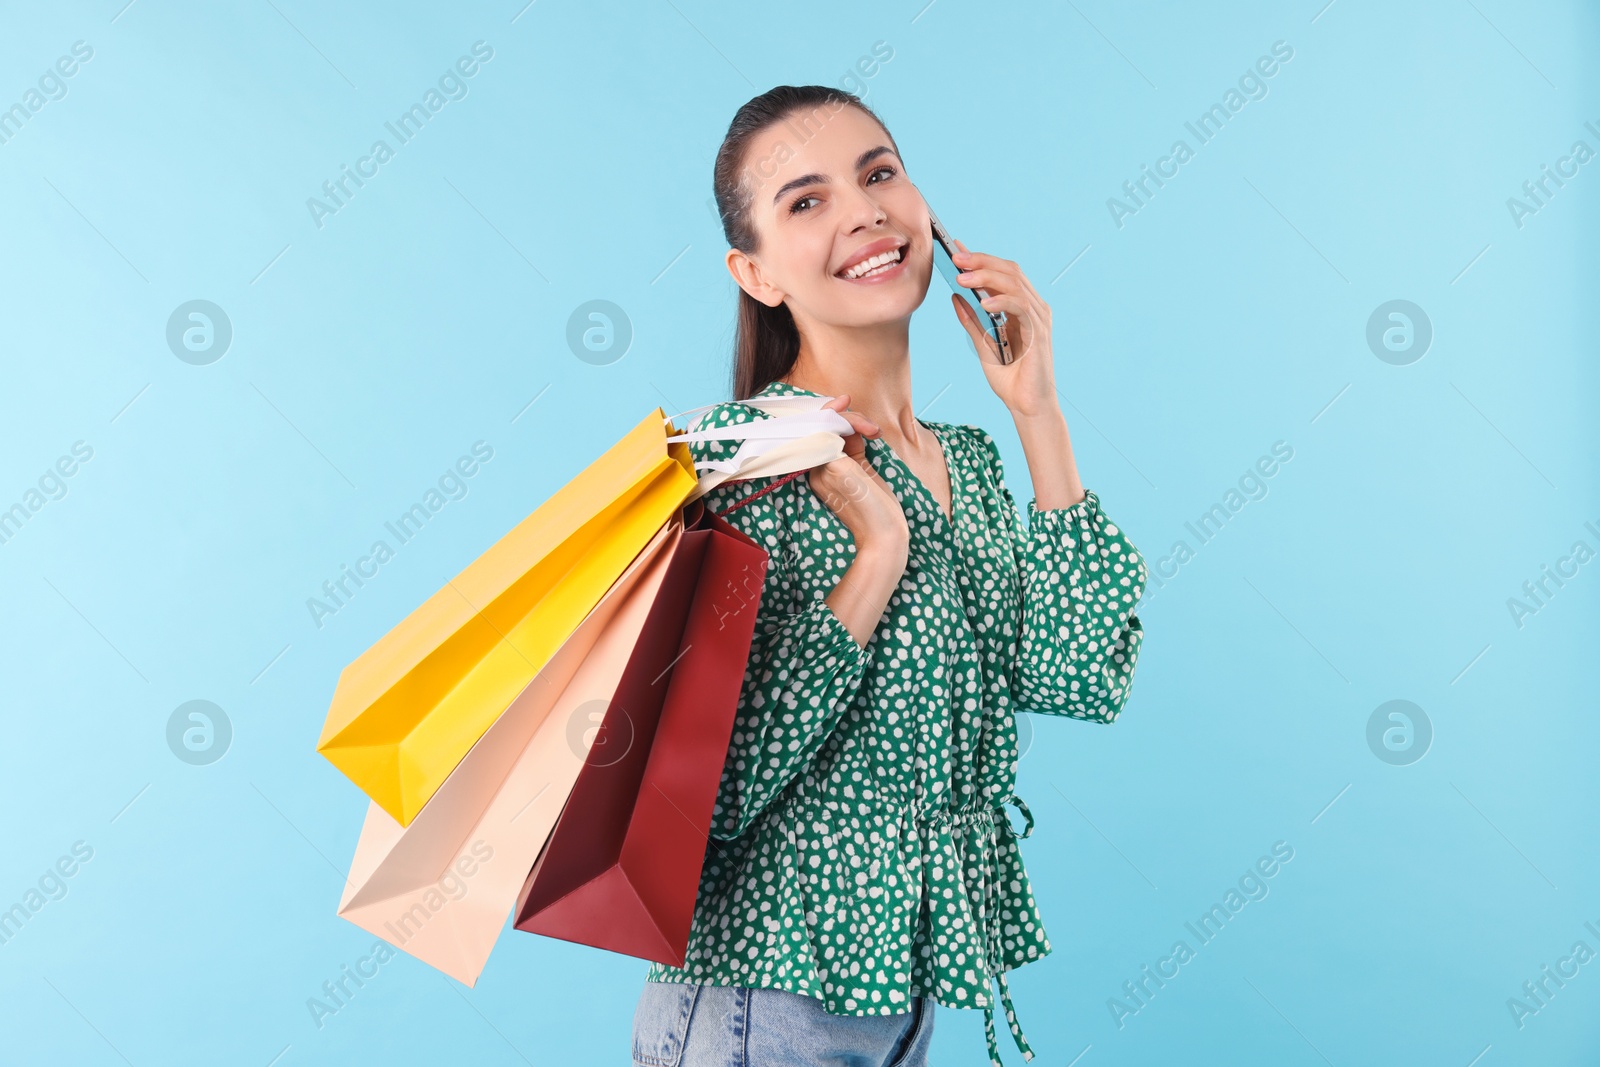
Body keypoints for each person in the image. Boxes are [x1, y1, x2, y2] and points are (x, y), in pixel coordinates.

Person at [631, 84, 1148, 1067]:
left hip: (896, 988)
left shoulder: (970, 459)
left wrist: (1039, 415)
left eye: (878, 174)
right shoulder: (740, 463)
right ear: (755, 272)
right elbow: (706, 791)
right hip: (763, 992)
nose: (864, 209)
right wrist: (875, 558)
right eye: (805, 200)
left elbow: (1080, 676)